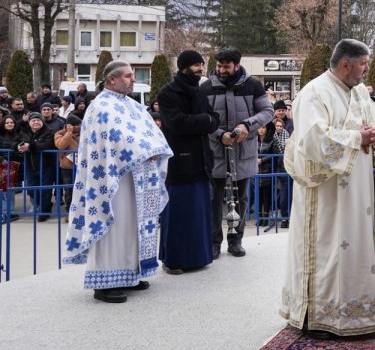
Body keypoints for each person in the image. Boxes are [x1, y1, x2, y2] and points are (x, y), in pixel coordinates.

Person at [281, 39, 375, 339]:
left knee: (353, 248)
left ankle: (353, 315)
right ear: (346, 64)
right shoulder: (314, 93)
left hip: (357, 191)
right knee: (327, 250)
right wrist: (357, 138)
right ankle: (317, 316)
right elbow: (313, 140)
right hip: (326, 195)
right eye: (363, 64)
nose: (366, 70)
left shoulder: (359, 95)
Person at [62, 61, 172, 304]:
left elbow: (150, 133)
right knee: (112, 224)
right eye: (128, 76)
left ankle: (129, 275)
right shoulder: (100, 106)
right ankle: (105, 282)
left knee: (132, 225)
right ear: (112, 79)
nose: (132, 80)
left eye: (132, 76)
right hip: (110, 179)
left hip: (136, 178)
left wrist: (155, 149)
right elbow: (114, 138)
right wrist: (146, 151)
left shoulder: (134, 105)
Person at [156, 50, 221, 274]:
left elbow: (215, 119)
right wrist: (205, 121)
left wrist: (204, 121)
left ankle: (198, 258)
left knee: (199, 214)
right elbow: (177, 123)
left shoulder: (199, 91)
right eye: (196, 65)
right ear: (184, 67)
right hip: (180, 163)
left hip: (201, 161)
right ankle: (173, 260)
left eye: (201, 65)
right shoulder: (167, 94)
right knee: (178, 214)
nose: (200, 69)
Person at [206, 48, 273, 259]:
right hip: (216, 151)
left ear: (236, 65)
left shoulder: (253, 85)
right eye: (219, 66)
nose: (221, 70)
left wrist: (247, 125)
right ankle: (214, 242)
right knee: (213, 199)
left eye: (226, 66)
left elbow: (267, 112)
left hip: (243, 151)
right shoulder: (206, 87)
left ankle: (236, 241)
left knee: (241, 198)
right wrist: (218, 134)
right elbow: (200, 118)